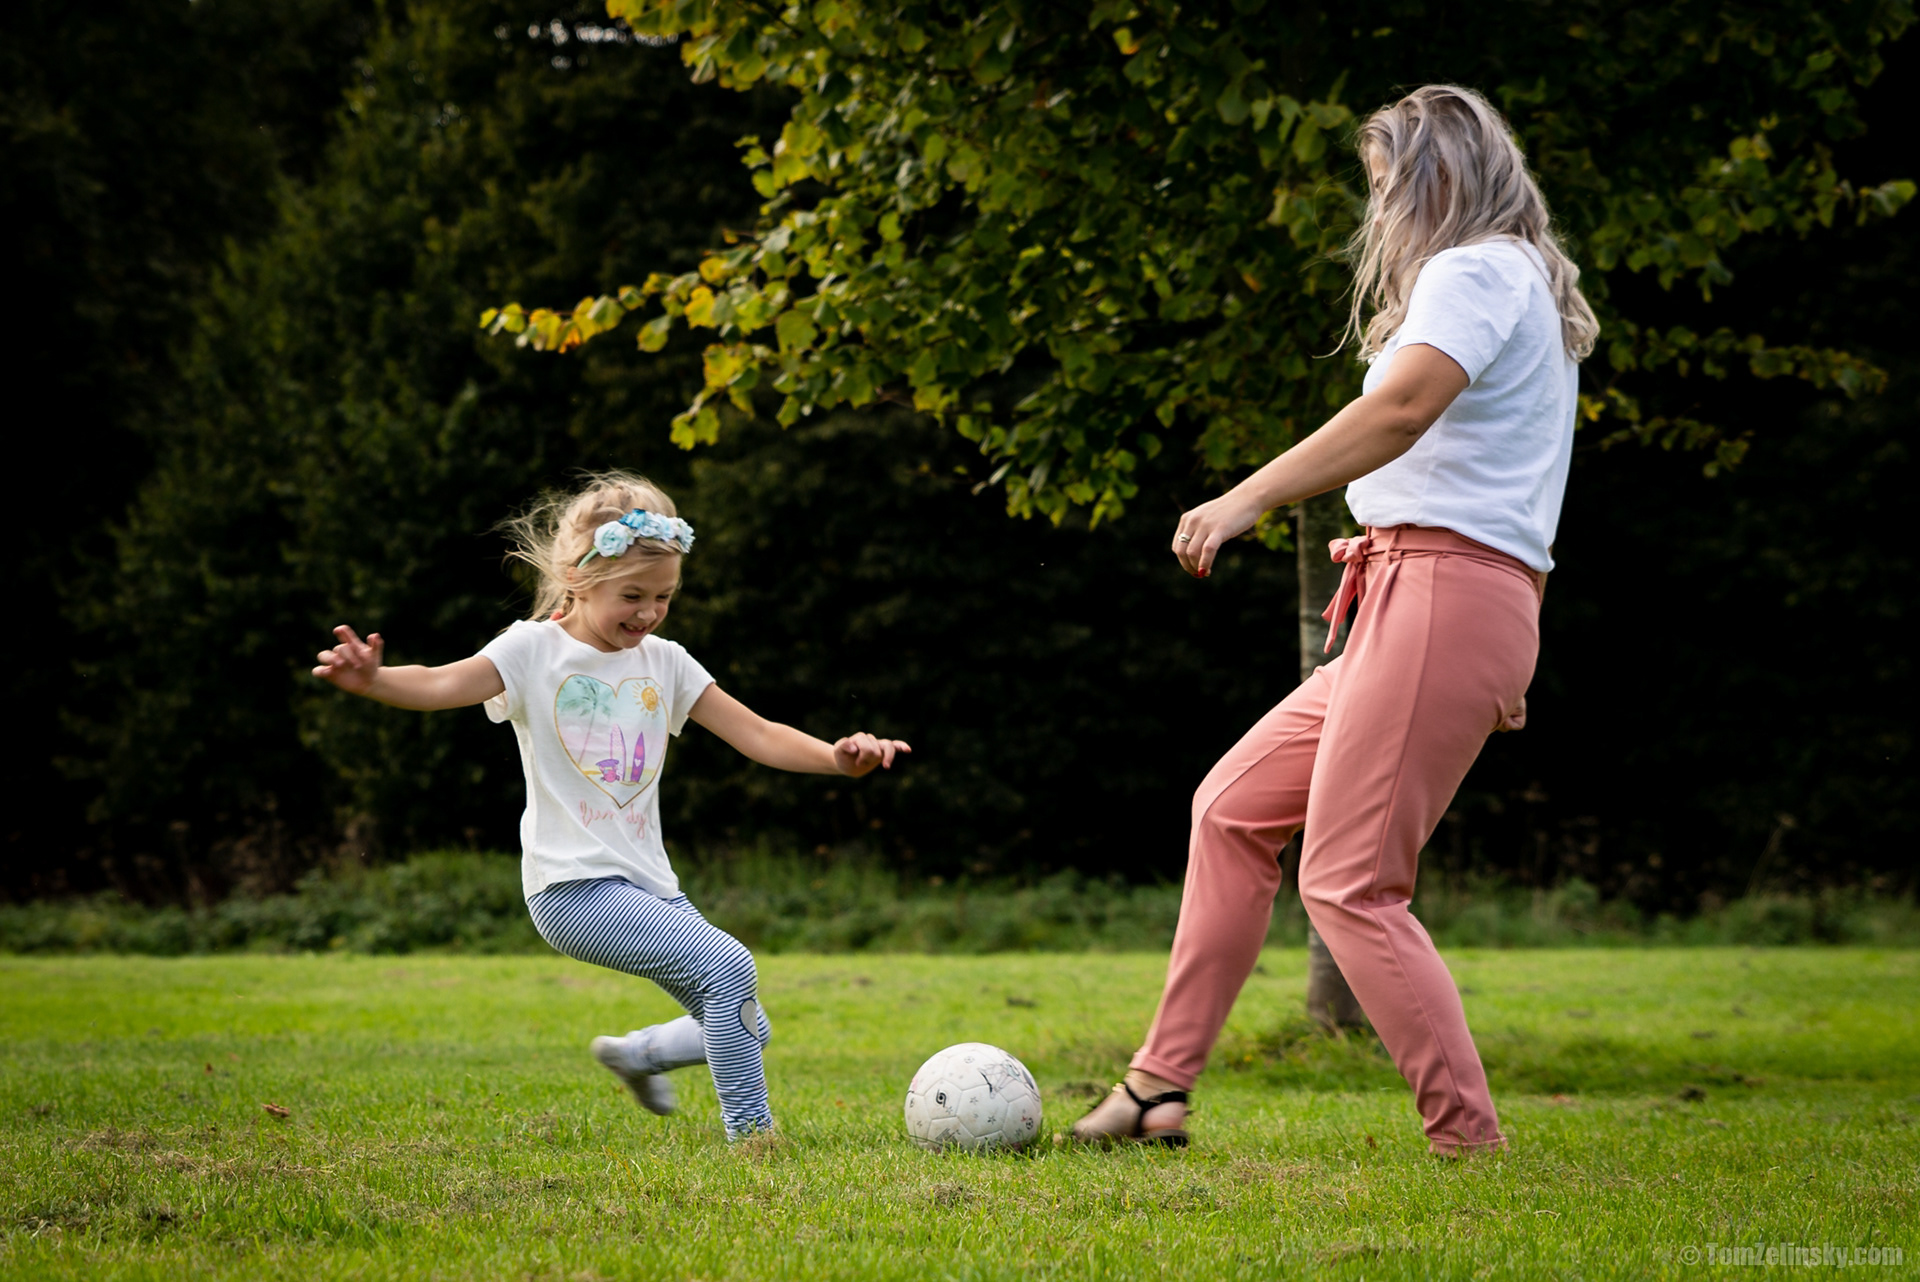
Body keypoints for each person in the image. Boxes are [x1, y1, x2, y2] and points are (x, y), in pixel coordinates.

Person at [1068, 84, 1597, 1154]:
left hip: (1441, 593)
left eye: (1387, 186)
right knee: (1230, 810)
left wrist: (1247, 497)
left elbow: (1399, 412)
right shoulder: (1516, 279)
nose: (1379, 211)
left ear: (1435, 180)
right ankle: (1155, 1090)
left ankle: (1467, 1138)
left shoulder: (1475, 269)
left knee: (1351, 882)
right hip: (1422, 595)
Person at [312, 471, 909, 1142]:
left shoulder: (666, 662)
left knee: (745, 1020)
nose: (648, 613)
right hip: (571, 888)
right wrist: (375, 680)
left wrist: (836, 757)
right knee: (730, 968)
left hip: (650, 885)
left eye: (664, 597)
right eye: (632, 596)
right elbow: (442, 682)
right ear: (578, 578)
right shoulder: (532, 650)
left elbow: (760, 734)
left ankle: (637, 1055)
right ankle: (755, 1138)